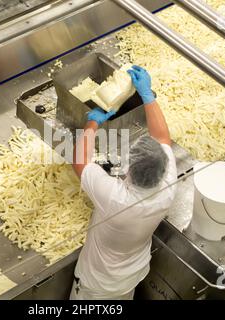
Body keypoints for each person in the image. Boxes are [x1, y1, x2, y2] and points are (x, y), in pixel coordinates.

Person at [70, 66, 178, 300]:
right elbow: (162, 138)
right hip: (131, 276)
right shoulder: (168, 185)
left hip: (96, 287)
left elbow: (79, 162)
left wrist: (93, 123)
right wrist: (147, 96)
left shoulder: (117, 199)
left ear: (128, 170)